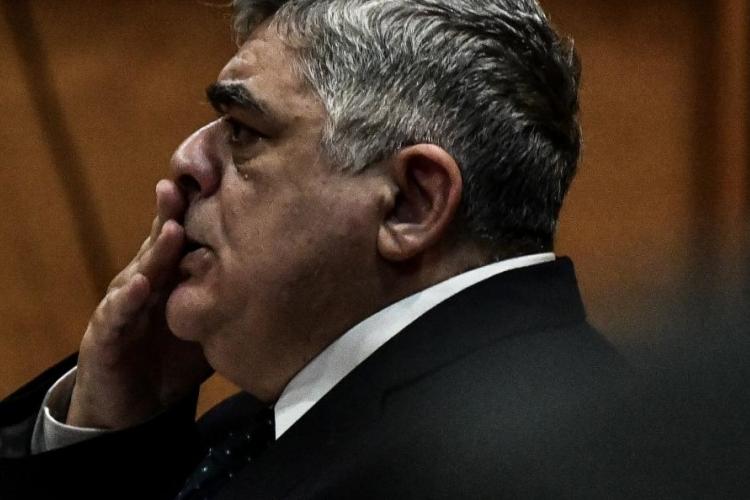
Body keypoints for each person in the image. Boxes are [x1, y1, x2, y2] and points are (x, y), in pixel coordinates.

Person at [0, 0, 630, 498]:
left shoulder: (507, 461)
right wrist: (108, 433)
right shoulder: (255, 428)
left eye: (244, 132)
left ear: (411, 203)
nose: (186, 161)